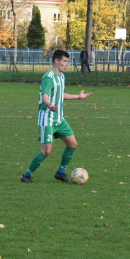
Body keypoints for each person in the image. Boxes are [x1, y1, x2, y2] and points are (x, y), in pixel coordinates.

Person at [21, 49, 93, 184]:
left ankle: (60, 172)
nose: (67, 64)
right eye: (64, 61)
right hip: (47, 119)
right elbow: (45, 96)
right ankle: (26, 175)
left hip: (59, 120)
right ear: (56, 60)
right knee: (46, 151)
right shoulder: (48, 77)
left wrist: (78, 96)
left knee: (72, 144)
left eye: (68, 62)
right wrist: (49, 105)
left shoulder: (61, 76)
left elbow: (61, 95)